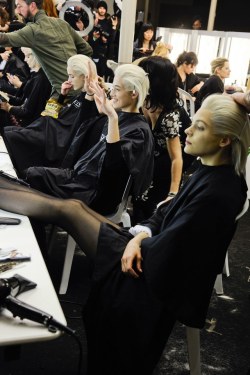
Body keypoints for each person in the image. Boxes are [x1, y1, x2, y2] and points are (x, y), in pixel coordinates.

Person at [0, 93, 249, 375]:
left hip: (150, 271)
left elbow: (177, 254)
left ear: (225, 140)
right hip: (150, 248)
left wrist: (139, 243)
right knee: (74, 206)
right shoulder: (210, 171)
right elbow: (166, 214)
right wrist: (140, 235)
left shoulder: (220, 192)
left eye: (200, 127)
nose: (187, 130)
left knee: (68, 211)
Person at [11, 64, 154, 215]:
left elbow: (112, 167)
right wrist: (62, 96)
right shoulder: (85, 102)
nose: (69, 80)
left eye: (117, 89)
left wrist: (109, 116)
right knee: (19, 163)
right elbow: (58, 119)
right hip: (54, 141)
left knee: (25, 171)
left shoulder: (136, 129)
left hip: (88, 185)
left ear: (134, 94)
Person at [3, 54, 99, 172]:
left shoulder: (91, 100)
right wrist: (62, 96)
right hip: (48, 129)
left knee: (9, 135)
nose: (69, 80)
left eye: (72, 76)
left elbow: (80, 126)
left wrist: (9, 108)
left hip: (56, 141)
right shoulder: (81, 94)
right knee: (7, 131)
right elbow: (55, 113)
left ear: (85, 77)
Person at [132, 56, 188, 222]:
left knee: (154, 204)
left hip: (178, 155)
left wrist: (173, 193)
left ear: (155, 82)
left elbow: (177, 158)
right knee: (139, 196)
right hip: (157, 150)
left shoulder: (169, 116)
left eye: (144, 75)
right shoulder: (146, 99)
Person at [0, 0, 93, 96]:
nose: (17, 11)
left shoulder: (34, 30)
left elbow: (3, 39)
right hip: (83, 89)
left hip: (66, 93)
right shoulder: (61, 23)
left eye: (20, 6)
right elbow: (87, 49)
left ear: (32, 5)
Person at [0, 47, 51, 128]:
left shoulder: (40, 79)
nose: (25, 60)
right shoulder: (36, 76)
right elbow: (22, 100)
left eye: (27, 56)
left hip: (31, 124)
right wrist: (7, 97)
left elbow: (27, 112)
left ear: (37, 56)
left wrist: (9, 108)